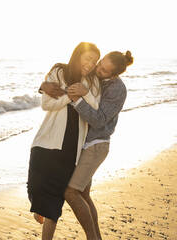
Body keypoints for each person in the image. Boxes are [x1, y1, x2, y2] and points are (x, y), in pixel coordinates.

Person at [40, 50, 134, 240]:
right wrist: (43, 86)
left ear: (114, 74)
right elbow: (69, 79)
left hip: (96, 144)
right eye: (99, 64)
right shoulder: (95, 75)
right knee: (83, 194)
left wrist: (78, 98)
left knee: (71, 192)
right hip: (80, 143)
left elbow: (99, 120)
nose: (98, 70)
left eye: (105, 71)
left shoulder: (118, 90)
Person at [27, 42, 101, 240]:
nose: (91, 64)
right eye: (88, 58)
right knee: (35, 189)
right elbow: (46, 104)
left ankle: (44, 212)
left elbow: (96, 109)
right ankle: (39, 206)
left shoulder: (92, 82)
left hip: (71, 151)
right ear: (78, 55)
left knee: (54, 205)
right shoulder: (59, 71)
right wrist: (70, 95)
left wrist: (84, 93)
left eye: (94, 61)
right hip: (46, 143)